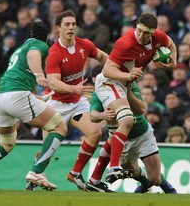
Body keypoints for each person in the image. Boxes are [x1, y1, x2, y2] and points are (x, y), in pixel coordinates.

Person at [0, 21, 68, 191]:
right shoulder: (39, 45)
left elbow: (16, 82)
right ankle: (37, 171)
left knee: (5, 143)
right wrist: (40, 75)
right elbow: (33, 56)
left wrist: (39, 97)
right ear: (46, 37)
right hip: (16, 96)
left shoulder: (18, 50)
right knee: (59, 127)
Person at [94, 12, 177, 183]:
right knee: (126, 119)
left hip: (127, 83)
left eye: (146, 32)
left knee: (137, 112)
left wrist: (173, 61)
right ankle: (113, 168)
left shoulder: (158, 37)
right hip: (111, 81)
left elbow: (172, 44)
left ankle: (95, 180)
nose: (141, 35)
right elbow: (108, 70)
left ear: (153, 32)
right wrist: (127, 76)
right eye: (139, 30)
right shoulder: (125, 43)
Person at [87, 64, 177, 194]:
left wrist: (127, 93)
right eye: (96, 84)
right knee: (134, 171)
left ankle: (164, 186)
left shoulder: (128, 84)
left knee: (155, 179)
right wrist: (102, 115)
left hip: (142, 135)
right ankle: (144, 184)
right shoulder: (98, 92)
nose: (99, 86)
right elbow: (92, 116)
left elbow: (141, 109)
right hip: (122, 141)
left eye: (101, 82)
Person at [44, 10, 108, 191]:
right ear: (58, 28)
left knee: (95, 132)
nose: (71, 27)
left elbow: (103, 57)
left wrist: (114, 72)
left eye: (73, 24)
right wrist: (74, 88)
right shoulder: (54, 53)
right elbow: (53, 83)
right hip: (55, 104)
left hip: (77, 102)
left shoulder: (85, 45)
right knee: (48, 151)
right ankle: (36, 178)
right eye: (67, 24)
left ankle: (75, 172)